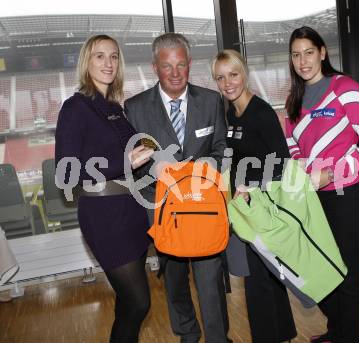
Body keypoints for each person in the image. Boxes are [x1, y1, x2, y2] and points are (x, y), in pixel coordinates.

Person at [124, 33, 230, 343]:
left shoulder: (211, 101)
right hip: (164, 210)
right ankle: (186, 333)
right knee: (174, 279)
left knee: (210, 280)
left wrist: (211, 163)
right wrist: (152, 167)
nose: (175, 73)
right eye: (167, 66)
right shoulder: (135, 107)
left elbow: (222, 147)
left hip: (204, 207)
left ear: (189, 64)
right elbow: (134, 160)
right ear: (154, 67)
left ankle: (217, 338)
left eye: (181, 65)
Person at [284, 26, 359, 343]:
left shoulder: (344, 87)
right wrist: (305, 169)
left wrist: (330, 174)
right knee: (326, 272)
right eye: (296, 55)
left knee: (350, 276)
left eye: (309, 52)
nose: (303, 61)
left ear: (323, 52)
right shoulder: (293, 100)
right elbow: (293, 145)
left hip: (350, 194)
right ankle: (336, 331)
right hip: (315, 197)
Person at [55, 34, 154, 343]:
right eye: (100, 56)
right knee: (139, 303)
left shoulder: (114, 107)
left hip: (131, 211)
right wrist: (123, 160)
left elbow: (132, 159)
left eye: (113, 56)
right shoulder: (75, 107)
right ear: (87, 62)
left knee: (127, 305)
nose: (108, 63)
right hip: (104, 216)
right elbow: (66, 174)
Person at [211, 49, 297, 343]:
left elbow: (282, 163)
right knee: (269, 276)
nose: (227, 83)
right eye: (220, 78)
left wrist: (254, 188)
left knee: (257, 281)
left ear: (244, 74)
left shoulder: (260, 112)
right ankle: (282, 332)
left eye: (233, 74)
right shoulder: (232, 113)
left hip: (264, 205)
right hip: (247, 206)